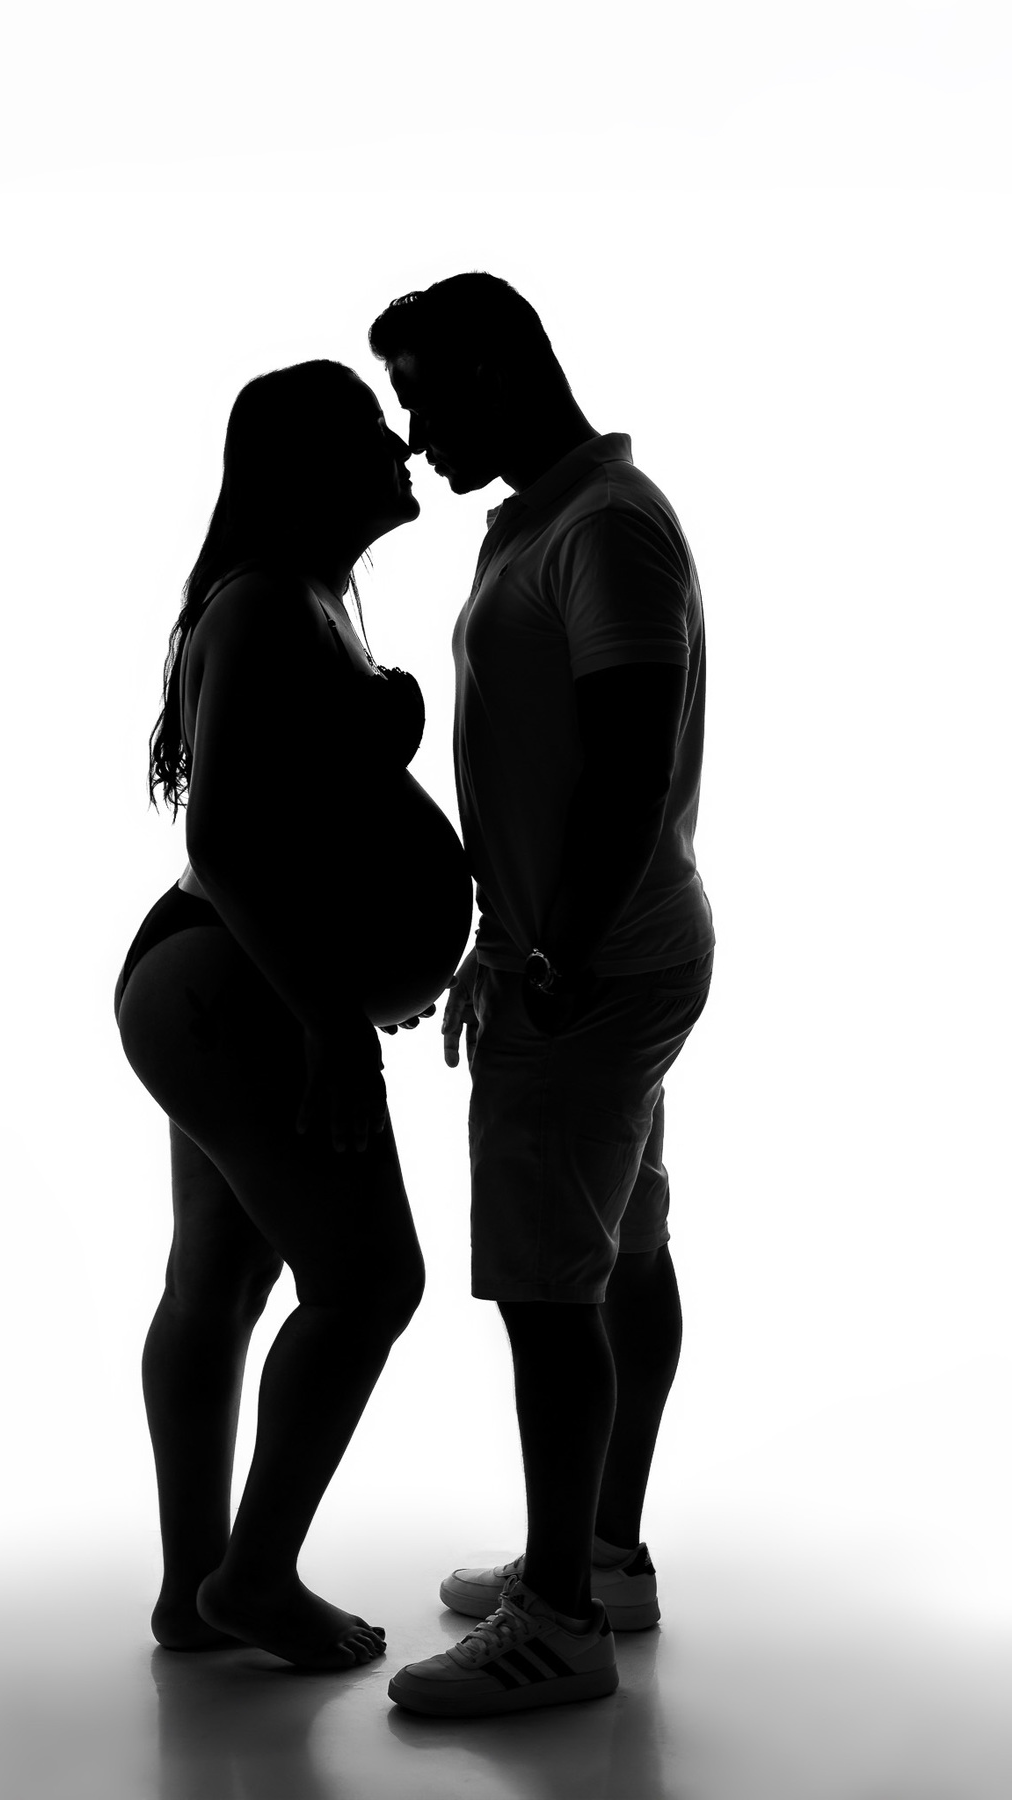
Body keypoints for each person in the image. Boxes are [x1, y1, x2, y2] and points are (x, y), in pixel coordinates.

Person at [368, 275, 715, 1718]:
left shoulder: (604, 528)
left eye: (424, 399)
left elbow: (631, 764)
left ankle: (560, 1621)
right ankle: (602, 1554)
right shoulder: (544, 519)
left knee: (549, 1288)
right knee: (620, 1248)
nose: (411, 437)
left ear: (498, 372)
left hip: (597, 963)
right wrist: (512, 937)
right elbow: (557, 767)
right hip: (597, 949)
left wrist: (553, 952)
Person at [114, 359, 471, 1670]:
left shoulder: (304, 597)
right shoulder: (268, 602)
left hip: (218, 985)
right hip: (238, 990)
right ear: (310, 466)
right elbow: (222, 840)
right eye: (371, 430)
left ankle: (192, 1591)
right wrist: (327, 1018)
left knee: (218, 1281)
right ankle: (255, 1580)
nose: (401, 447)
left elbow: (305, 824)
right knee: (369, 1281)